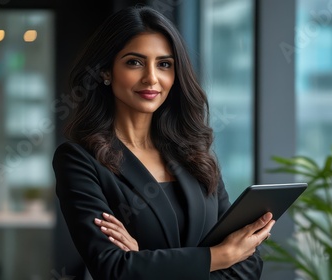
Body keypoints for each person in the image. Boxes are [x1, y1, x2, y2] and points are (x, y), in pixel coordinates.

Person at [52, 5, 274, 280]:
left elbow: (249, 266)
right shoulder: (79, 160)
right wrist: (220, 256)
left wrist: (144, 260)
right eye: (134, 62)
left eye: (164, 64)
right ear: (106, 72)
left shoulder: (195, 154)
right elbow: (114, 269)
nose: (151, 78)